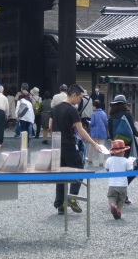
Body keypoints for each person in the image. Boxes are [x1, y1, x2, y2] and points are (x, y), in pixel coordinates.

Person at [50, 84, 104, 215]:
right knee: (79, 167)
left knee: (60, 173)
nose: (80, 100)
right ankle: (72, 197)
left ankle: (60, 204)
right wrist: (94, 144)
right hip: (68, 144)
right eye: (80, 97)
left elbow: (50, 125)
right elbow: (81, 130)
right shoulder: (72, 110)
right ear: (74, 95)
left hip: (56, 145)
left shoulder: (55, 108)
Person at [108, 94, 138, 204]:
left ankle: (118, 195)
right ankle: (122, 193)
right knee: (134, 169)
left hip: (116, 146)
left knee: (118, 170)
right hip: (128, 146)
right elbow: (134, 131)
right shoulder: (127, 114)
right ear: (124, 104)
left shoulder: (111, 117)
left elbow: (110, 134)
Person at [105, 139, 133, 220]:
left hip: (112, 184)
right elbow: (130, 171)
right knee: (121, 199)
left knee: (112, 197)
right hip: (123, 185)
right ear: (123, 151)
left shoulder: (109, 160)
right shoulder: (126, 161)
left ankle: (112, 205)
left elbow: (107, 169)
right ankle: (119, 211)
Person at [88, 99, 108, 166]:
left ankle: (90, 159)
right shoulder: (104, 114)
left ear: (95, 106)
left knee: (92, 145)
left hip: (95, 132)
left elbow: (92, 124)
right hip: (103, 132)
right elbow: (106, 123)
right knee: (102, 147)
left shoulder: (94, 114)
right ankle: (101, 162)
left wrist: (89, 123)